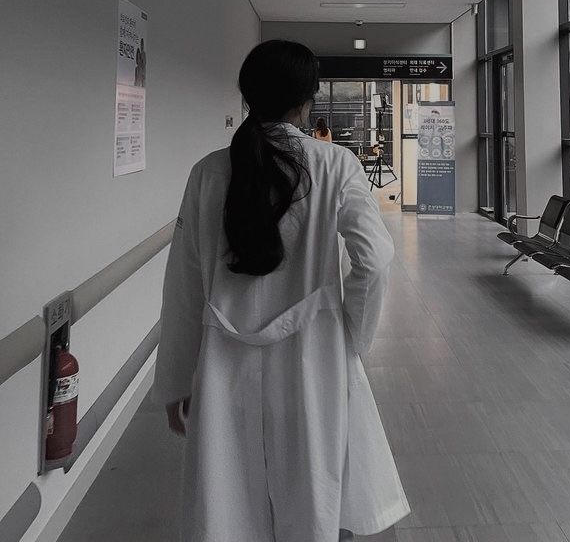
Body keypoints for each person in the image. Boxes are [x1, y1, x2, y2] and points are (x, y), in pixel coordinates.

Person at [152, 40, 409, 542]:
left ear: (248, 96)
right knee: (314, 492)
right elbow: (374, 261)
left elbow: (182, 286)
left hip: (223, 359)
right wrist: (350, 335)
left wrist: (176, 380)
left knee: (227, 502)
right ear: (305, 100)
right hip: (314, 358)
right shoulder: (334, 164)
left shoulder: (208, 172)